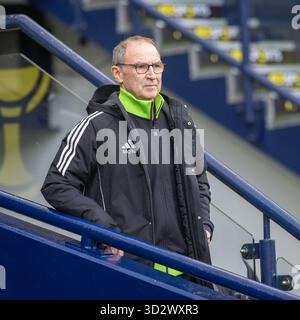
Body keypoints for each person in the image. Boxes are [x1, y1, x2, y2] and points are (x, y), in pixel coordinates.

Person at [41, 36, 213, 282]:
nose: (152, 74)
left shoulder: (181, 121)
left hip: (186, 271)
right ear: (118, 74)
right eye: (141, 67)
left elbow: (199, 181)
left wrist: (204, 226)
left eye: (157, 66)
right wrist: (103, 227)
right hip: (127, 269)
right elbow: (56, 185)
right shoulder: (95, 126)